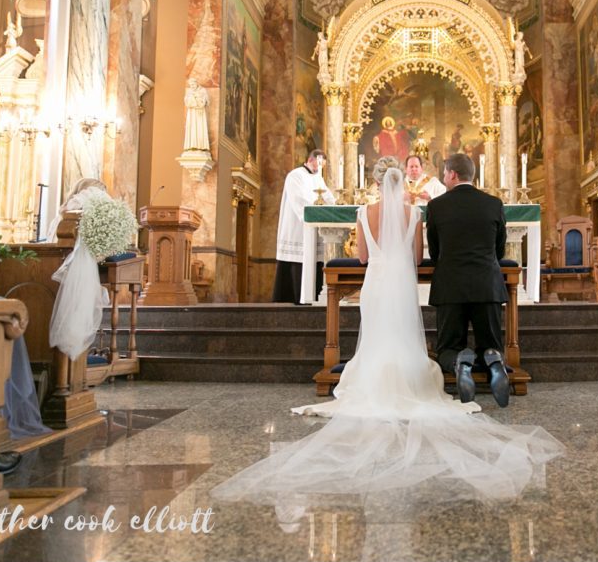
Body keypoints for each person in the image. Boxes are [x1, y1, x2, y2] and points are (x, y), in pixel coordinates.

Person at [211, 157, 562, 506]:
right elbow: (432, 257)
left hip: (386, 282)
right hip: (445, 282)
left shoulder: (379, 212)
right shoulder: (435, 211)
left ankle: (457, 362)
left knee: (405, 338)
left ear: (378, 183)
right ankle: (492, 357)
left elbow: (367, 258)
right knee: (449, 334)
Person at [427, 153, 511, 407]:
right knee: (491, 343)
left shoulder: (437, 206)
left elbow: (434, 251)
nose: (444, 178)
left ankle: (459, 363)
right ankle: (495, 362)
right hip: (487, 285)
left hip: (451, 286)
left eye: (444, 174)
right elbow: (499, 250)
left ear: (452, 174)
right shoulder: (494, 204)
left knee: (448, 346)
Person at [272, 149, 335, 304]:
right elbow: (298, 199)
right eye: (318, 164)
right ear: (310, 159)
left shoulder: (318, 178)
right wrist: (316, 209)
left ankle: (312, 298)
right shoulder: (295, 175)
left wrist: (333, 206)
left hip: (313, 230)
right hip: (297, 228)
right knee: (297, 261)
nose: (320, 168)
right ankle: (294, 299)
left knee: (314, 261)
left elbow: (328, 197)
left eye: (323, 165)